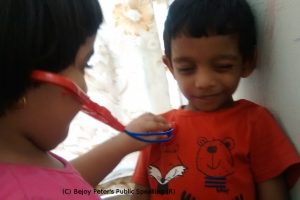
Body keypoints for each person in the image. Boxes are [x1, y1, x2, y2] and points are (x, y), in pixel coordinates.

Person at [0, 0, 172, 199]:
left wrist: (125, 142)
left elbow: (62, 183)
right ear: (19, 83)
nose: (84, 86)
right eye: (84, 64)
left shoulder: (23, 161)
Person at [131, 0, 300, 199]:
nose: (203, 82)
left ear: (247, 62)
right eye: (187, 69)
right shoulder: (156, 130)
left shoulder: (255, 123)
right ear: (170, 67)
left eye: (222, 66)